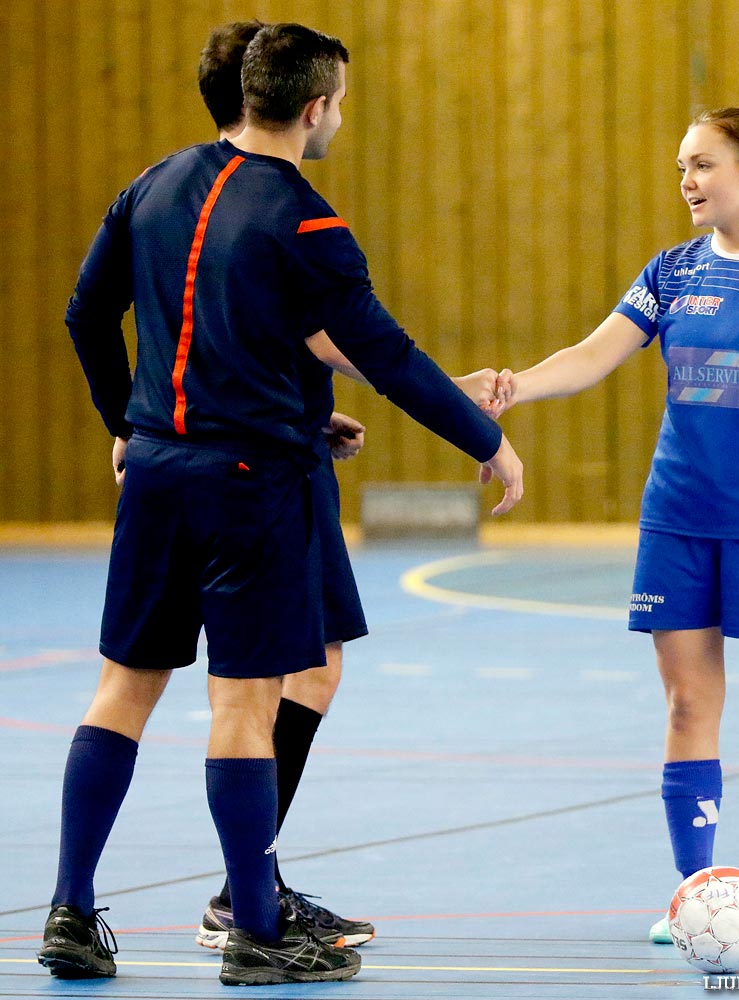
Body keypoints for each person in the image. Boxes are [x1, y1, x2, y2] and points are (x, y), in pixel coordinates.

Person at [38, 22, 522, 988]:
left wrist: (127, 428)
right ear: (315, 107)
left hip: (162, 477)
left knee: (123, 691)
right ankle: (256, 930)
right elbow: (384, 354)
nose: (339, 115)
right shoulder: (307, 221)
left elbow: (90, 313)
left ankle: (70, 912)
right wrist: (490, 441)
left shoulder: (155, 185)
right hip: (250, 492)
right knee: (244, 706)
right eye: (338, 102)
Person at [488, 107, 739, 943]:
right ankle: (695, 888)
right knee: (687, 702)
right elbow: (591, 356)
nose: (688, 182)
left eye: (701, 165)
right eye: (680, 169)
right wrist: (515, 385)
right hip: (678, 519)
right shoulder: (669, 270)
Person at [189, 22, 501, 953]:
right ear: (299, 99)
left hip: (280, 445)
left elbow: (298, 336)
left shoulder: (201, 196)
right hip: (260, 471)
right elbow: (363, 342)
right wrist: (468, 418)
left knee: (310, 665)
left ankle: (249, 883)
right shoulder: (275, 204)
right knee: (259, 688)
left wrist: (317, 411)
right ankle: (246, 899)